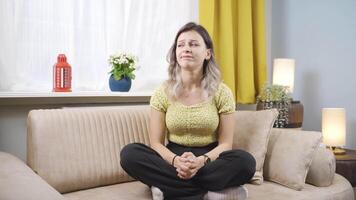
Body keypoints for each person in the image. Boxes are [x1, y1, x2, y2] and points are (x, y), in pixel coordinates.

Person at [120, 22, 256, 200]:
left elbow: (225, 144)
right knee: (129, 154)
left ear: (207, 53)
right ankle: (209, 191)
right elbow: (156, 143)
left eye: (193, 44)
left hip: (209, 160)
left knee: (246, 162)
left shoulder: (222, 92)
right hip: (172, 159)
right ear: (176, 53)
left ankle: (168, 188)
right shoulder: (162, 92)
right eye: (181, 44)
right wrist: (177, 161)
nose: (186, 48)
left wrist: (200, 161)